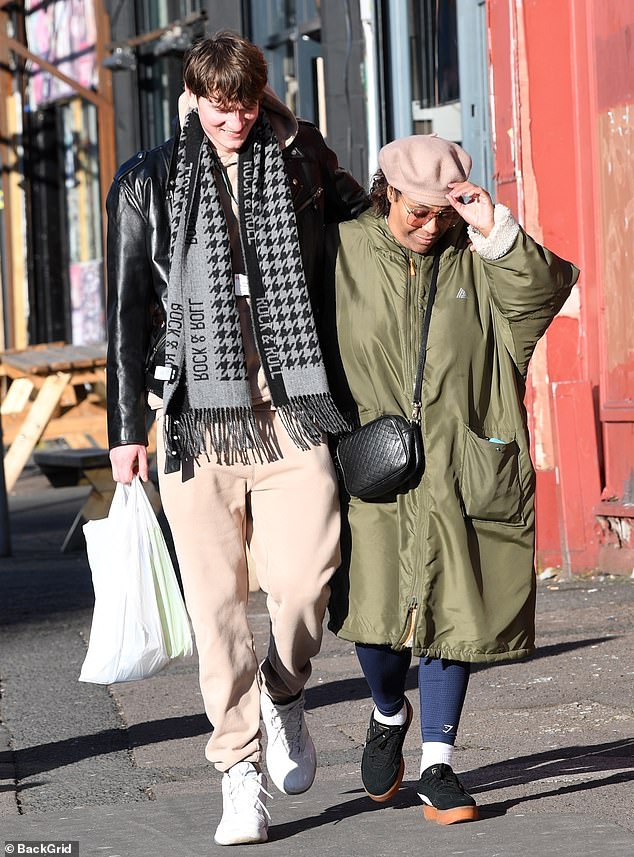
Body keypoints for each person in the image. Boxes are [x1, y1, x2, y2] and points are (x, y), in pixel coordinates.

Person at [105, 31, 367, 846]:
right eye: (221, 107)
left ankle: (286, 692)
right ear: (193, 97)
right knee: (217, 608)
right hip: (193, 416)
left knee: (303, 582)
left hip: (293, 407)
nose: (235, 121)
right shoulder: (147, 179)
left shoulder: (298, 160)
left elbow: (365, 226)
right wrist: (123, 430)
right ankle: (238, 769)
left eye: (247, 104)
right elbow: (124, 313)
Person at [327, 134, 579, 825]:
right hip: (373, 469)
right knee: (372, 624)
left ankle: (439, 762)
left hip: (459, 464)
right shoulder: (343, 251)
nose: (430, 225)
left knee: (452, 617)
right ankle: (387, 711)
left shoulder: (477, 261)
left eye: (443, 213)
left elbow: (543, 293)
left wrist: (493, 228)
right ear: (387, 193)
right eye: (417, 211)